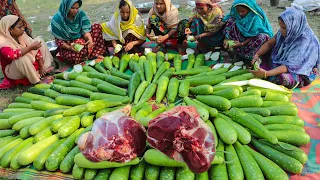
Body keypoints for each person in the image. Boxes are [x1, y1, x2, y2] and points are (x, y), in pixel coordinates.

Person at [250, 8, 320, 89]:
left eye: (283, 28)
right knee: (263, 48)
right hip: (284, 61)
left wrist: (266, 73)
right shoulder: (287, 31)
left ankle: (269, 73)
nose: (280, 30)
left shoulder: (304, 41)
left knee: (284, 79)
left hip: (299, 69)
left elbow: (289, 66)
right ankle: (266, 71)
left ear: (293, 26)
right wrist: (257, 54)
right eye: (280, 26)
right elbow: (269, 43)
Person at [0, 15, 53, 89]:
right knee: (21, 58)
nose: (23, 29)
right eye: (19, 27)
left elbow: (36, 50)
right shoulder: (2, 42)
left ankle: (43, 69)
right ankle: (36, 81)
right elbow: (12, 55)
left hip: (31, 63)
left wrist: (41, 66)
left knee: (39, 41)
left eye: (22, 26)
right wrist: (30, 48)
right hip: (14, 71)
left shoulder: (22, 35)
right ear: (10, 30)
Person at [50, 0, 106, 64]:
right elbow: (59, 41)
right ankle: (86, 55)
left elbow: (85, 30)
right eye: (72, 8)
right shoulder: (57, 19)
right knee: (74, 56)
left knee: (97, 27)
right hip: (69, 44)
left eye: (77, 8)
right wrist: (69, 48)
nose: (75, 11)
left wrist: (89, 38)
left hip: (82, 38)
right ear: (66, 7)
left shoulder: (80, 14)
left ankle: (94, 53)